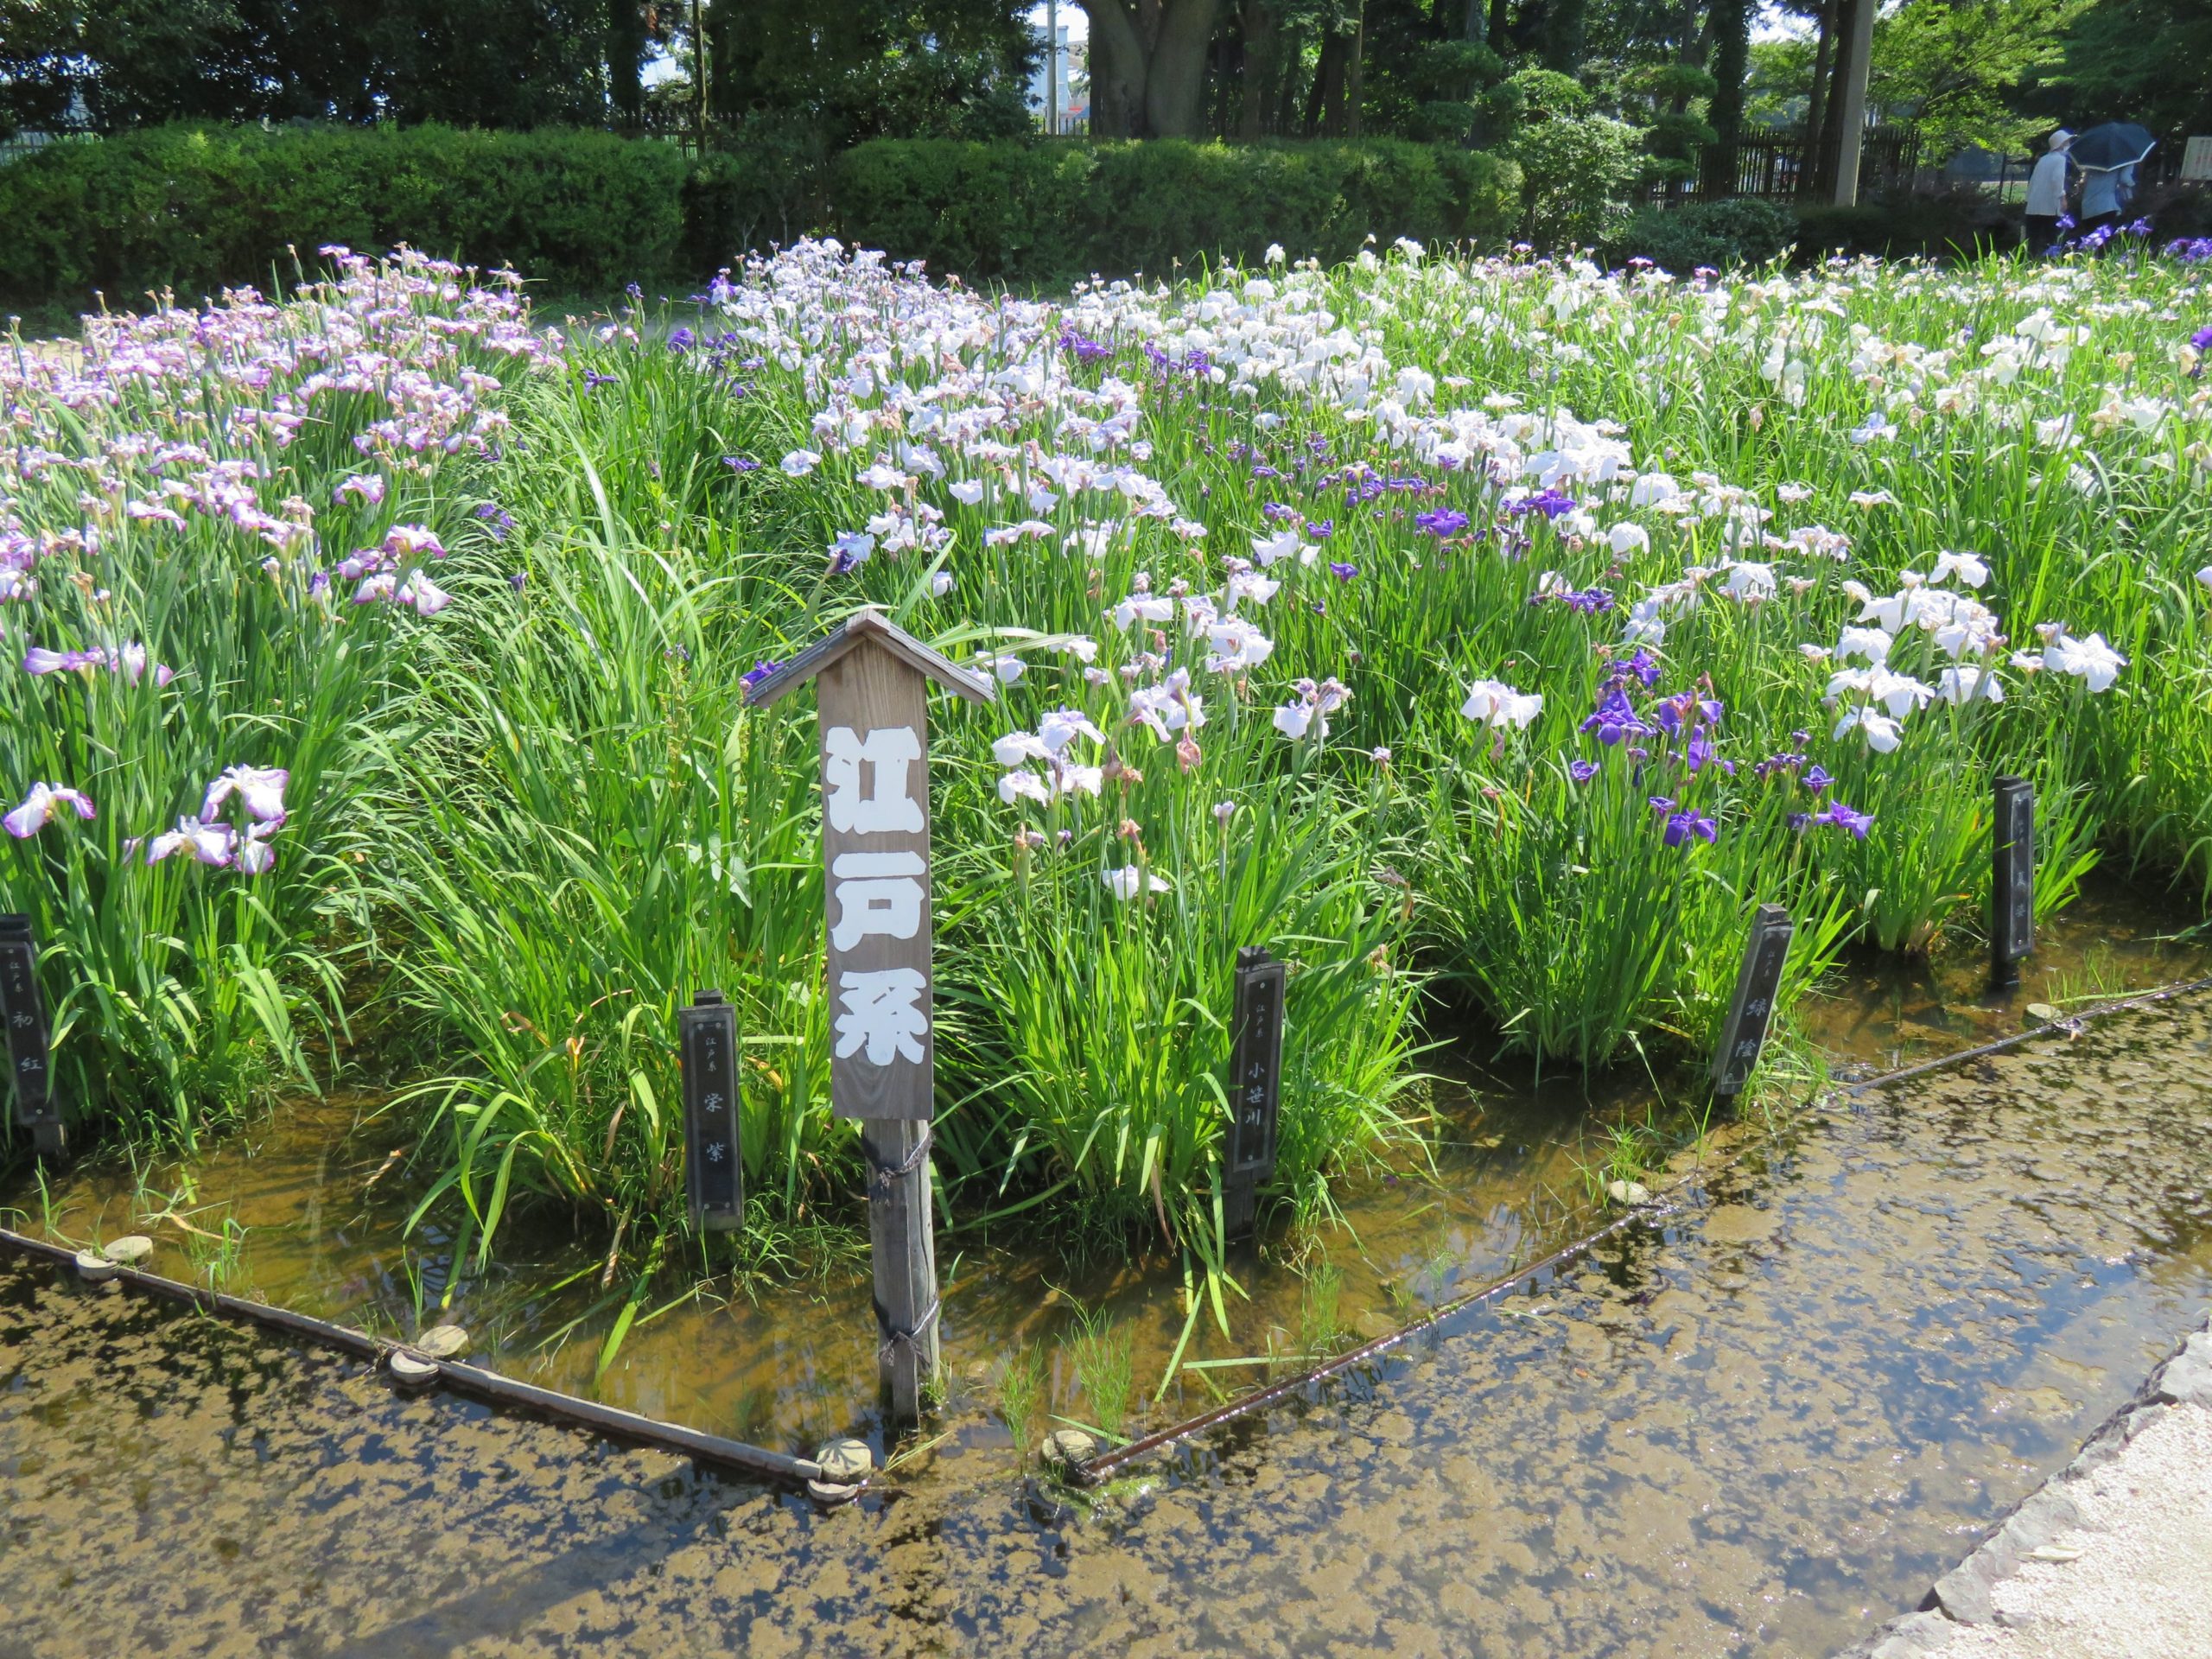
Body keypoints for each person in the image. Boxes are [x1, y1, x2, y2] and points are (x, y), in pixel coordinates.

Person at [2024, 130, 2074, 253]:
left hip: (2034, 205)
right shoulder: (2060, 160)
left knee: (2032, 239)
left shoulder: (2043, 159)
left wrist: (2027, 200)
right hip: (2050, 206)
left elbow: (2033, 180)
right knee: (2052, 238)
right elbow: (2057, 180)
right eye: (2067, 141)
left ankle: (2029, 261)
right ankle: (2051, 261)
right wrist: (2062, 197)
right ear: (2061, 143)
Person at [2079, 159, 2135, 240]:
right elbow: (2125, 179)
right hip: (2106, 206)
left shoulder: (2094, 157)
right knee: (2103, 243)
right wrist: (2133, 185)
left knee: (2090, 243)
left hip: (2088, 206)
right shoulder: (2126, 158)